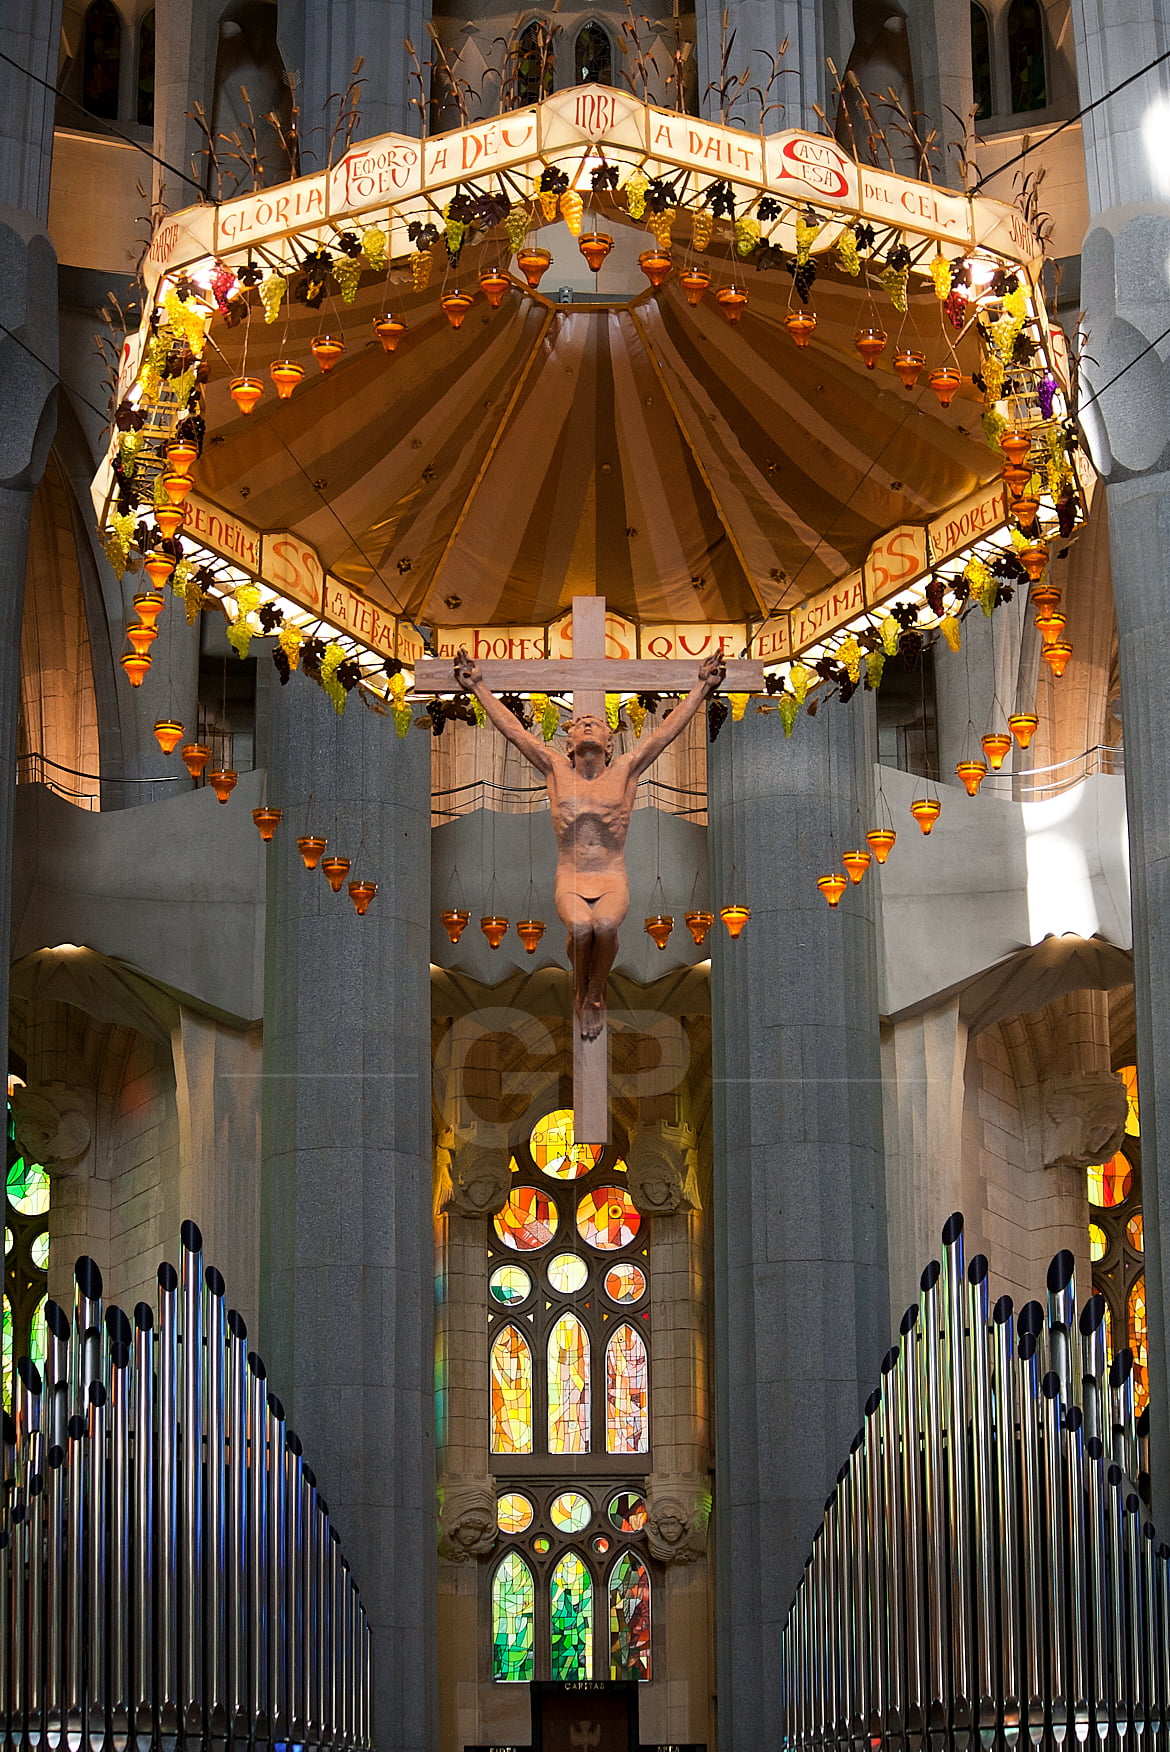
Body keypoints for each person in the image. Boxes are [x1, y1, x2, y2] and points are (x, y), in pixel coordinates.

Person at [453, 649, 726, 1039]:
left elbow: (666, 734)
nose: (584, 726)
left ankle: (594, 993)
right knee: (581, 929)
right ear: (567, 745)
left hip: (611, 875)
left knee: (606, 924)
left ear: (609, 743)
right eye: (578, 725)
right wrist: (478, 686)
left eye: (593, 724)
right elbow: (513, 731)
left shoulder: (626, 770)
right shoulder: (554, 769)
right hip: (572, 874)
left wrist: (701, 686)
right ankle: (582, 988)